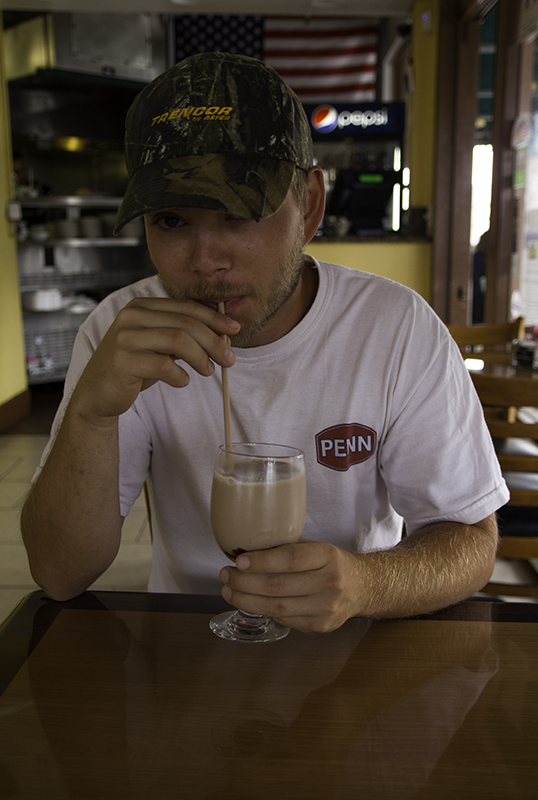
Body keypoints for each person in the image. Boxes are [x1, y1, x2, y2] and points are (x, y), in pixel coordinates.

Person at [21, 52, 508, 634]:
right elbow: (59, 575)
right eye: (171, 221)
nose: (205, 263)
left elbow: (473, 543)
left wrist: (363, 585)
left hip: (353, 666)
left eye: (239, 214)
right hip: (187, 653)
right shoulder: (117, 332)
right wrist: (92, 416)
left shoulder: (396, 329)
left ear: (309, 207)